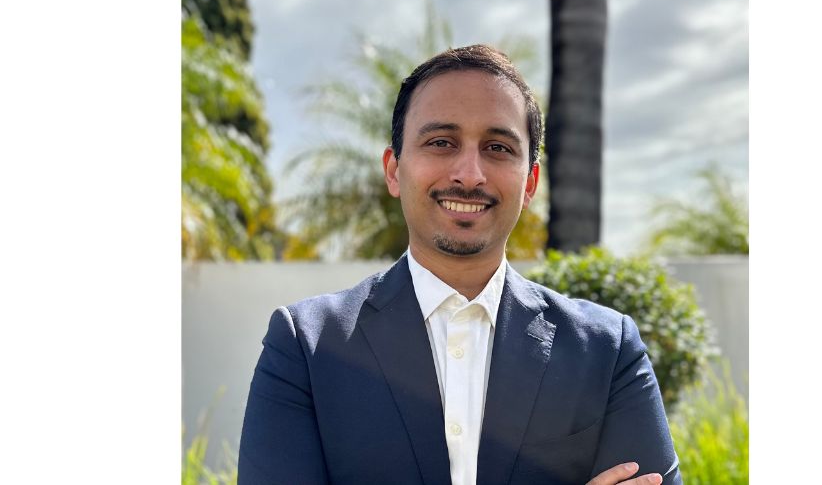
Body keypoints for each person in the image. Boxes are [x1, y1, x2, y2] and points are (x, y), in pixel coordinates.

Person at [238, 44, 681, 485]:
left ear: (529, 182)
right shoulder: (306, 347)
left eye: (498, 147)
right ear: (394, 170)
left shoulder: (606, 350)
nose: (469, 174)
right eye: (441, 142)